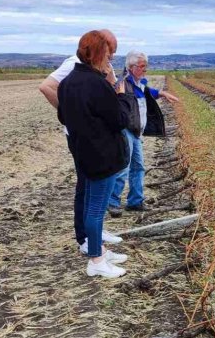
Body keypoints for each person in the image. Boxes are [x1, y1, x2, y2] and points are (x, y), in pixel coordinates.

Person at [57, 30, 135, 278]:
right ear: (99, 54)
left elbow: (62, 116)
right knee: (95, 210)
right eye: (108, 54)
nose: (110, 58)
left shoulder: (67, 83)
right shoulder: (97, 84)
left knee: (90, 204)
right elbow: (120, 120)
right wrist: (120, 95)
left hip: (83, 152)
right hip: (103, 156)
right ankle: (96, 261)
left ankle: (97, 249)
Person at [38, 30, 124, 253]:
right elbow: (46, 87)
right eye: (110, 51)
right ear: (100, 47)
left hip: (97, 135)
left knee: (97, 190)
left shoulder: (100, 68)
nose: (112, 56)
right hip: (84, 137)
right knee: (86, 186)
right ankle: (85, 237)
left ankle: (96, 233)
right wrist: (73, 116)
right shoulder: (74, 65)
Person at [107, 50, 180, 218]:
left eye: (145, 66)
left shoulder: (139, 83)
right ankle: (112, 202)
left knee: (138, 167)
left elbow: (147, 92)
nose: (144, 69)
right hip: (125, 131)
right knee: (123, 168)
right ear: (131, 67)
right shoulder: (122, 84)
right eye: (141, 66)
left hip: (136, 133)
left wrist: (161, 93)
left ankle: (135, 202)